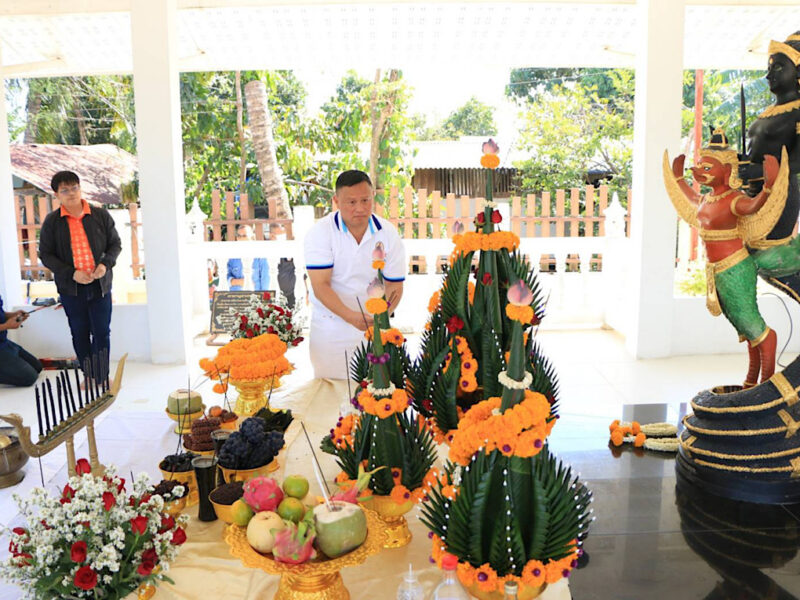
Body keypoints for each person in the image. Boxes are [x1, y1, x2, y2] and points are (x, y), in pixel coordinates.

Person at [665, 129, 787, 386]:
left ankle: (766, 377)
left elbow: (754, 207)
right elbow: (691, 199)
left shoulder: (734, 200)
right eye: (699, 165)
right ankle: (752, 379)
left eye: (707, 166)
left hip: (735, 267)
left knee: (749, 321)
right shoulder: (707, 199)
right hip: (717, 269)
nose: (699, 170)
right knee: (741, 324)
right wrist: (677, 179)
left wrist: (767, 189)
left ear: (728, 171)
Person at [304, 170, 406, 379]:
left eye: (365, 200)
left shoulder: (387, 232)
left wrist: (382, 317)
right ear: (336, 201)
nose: (359, 208)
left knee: (377, 394)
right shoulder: (320, 232)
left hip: (375, 329)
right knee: (329, 395)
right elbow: (320, 285)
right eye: (351, 202)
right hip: (331, 328)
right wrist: (351, 317)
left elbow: (394, 285)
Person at [39, 171, 121, 383]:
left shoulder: (100, 215)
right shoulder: (52, 222)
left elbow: (115, 245)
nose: (71, 193)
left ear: (80, 188)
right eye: (64, 190)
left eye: (74, 188)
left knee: (102, 332)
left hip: (100, 285)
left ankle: (102, 375)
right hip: (71, 288)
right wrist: (71, 273)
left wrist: (104, 265)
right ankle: (89, 374)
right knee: (79, 332)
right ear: (56, 194)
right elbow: (46, 255)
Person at [0, 293, 42, 386]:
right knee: (29, 378)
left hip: (3, 343)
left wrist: (13, 315)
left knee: (37, 367)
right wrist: (6, 326)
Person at [227, 225, 270, 291]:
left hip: (255, 298)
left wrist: (265, 300)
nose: (241, 238)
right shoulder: (232, 257)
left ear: (252, 238)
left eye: (244, 236)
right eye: (239, 236)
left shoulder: (260, 257)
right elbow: (225, 277)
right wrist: (239, 282)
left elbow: (265, 281)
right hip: (235, 298)